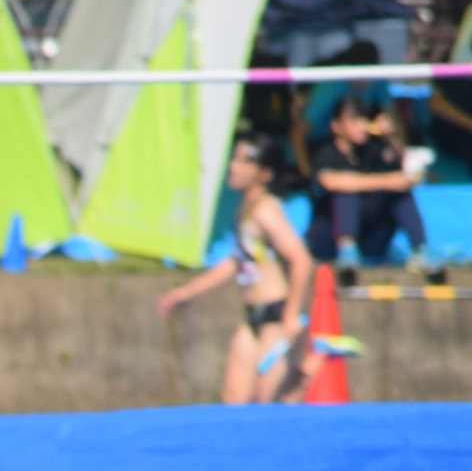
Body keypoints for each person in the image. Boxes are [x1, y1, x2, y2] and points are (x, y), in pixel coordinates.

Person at [155, 139, 322, 406]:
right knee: (233, 399)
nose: (233, 167)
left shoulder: (266, 210)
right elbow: (236, 262)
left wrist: (291, 315)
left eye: (245, 161)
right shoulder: (245, 209)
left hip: (275, 317)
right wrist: (185, 293)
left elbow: (301, 260)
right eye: (235, 158)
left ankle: (305, 373)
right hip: (252, 317)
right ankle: (302, 374)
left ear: (264, 175)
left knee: (268, 404)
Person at [310, 98, 438, 287]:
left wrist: (390, 137)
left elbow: (407, 170)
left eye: (364, 120)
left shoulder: (372, 149)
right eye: (354, 120)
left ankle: (420, 250)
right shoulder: (325, 152)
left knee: (399, 193)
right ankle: (347, 253)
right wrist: (386, 181)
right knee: (347, 193)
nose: (362, 126)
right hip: (330, 241)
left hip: (370, 241)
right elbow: (330, 182)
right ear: (336, 126)